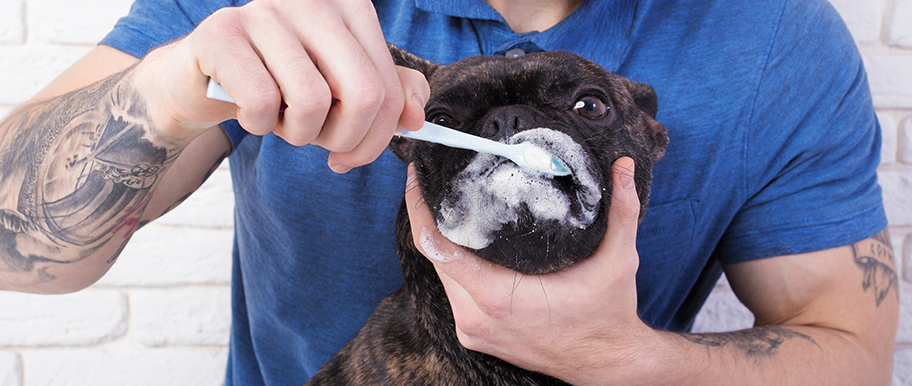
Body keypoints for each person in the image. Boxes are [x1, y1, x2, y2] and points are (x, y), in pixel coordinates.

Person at [0, 0, 898, 384]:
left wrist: (625, 360)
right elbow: (13, 256)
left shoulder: (777, 39)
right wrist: (171, 86)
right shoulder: (274, 2)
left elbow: (849, 352)